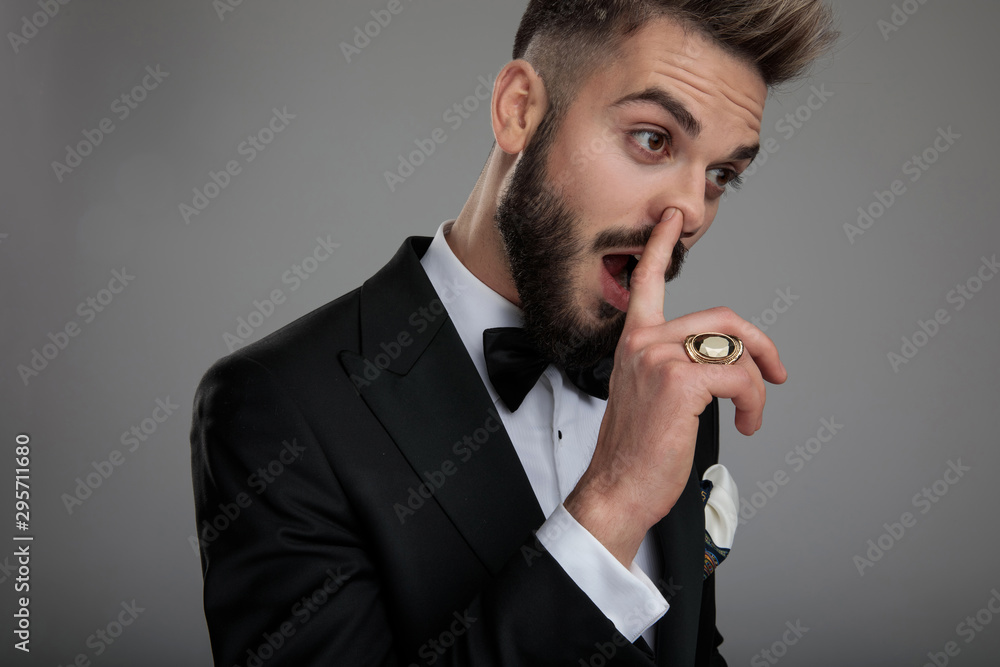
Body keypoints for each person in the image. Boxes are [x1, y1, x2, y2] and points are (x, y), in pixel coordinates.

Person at [190, 1, 838, 665]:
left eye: (721, 174)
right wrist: (611, 503)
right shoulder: (279, 404)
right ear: (519, 110)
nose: (691, 210)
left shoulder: (665, 384)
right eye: (653, 139)